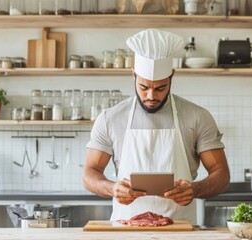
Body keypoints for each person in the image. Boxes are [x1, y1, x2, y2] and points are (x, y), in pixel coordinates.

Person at [82, 29, 230, 223]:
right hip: (126, 230)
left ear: (171, 77)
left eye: (160, 88)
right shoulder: (111, 118)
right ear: (133, 75)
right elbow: (89, 173)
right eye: (144, 87)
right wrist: (113, 188)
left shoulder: (197, 116)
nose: (151, 96)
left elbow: (221, 174)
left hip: (181, 230)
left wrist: (195, 190)